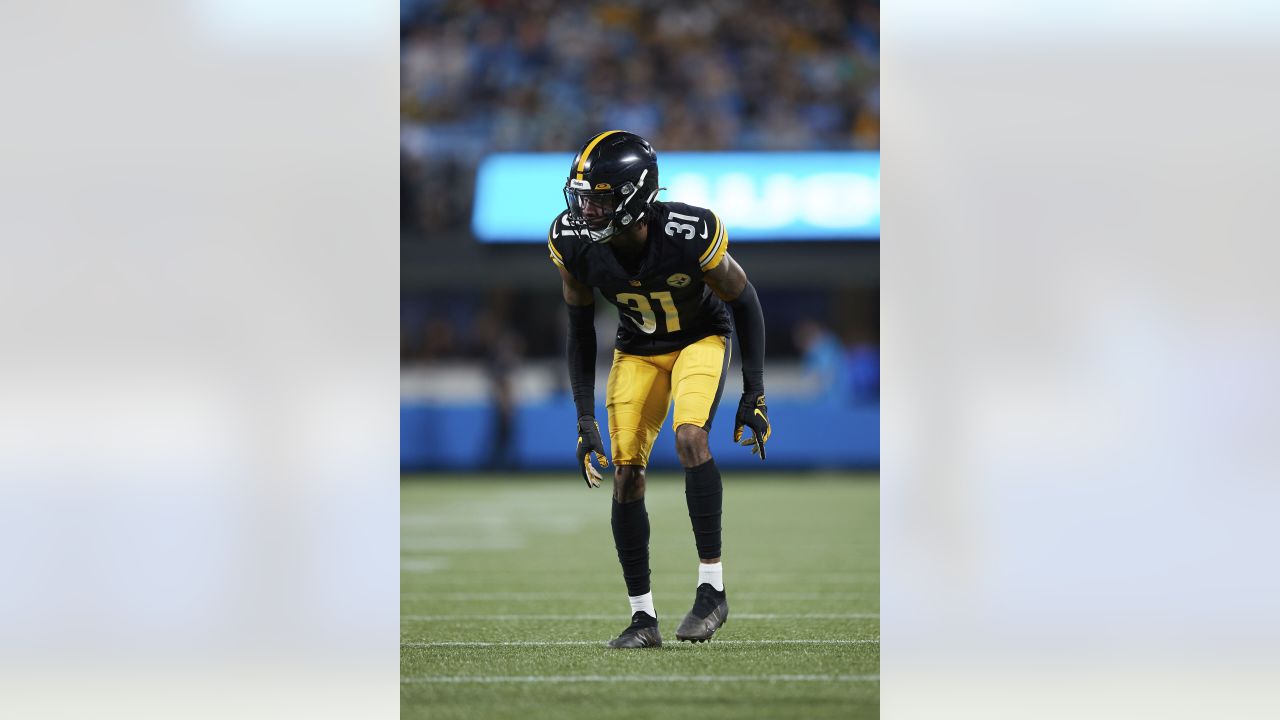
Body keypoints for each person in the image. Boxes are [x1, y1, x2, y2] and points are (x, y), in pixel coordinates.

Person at [548, 130, 771, 648]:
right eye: (583, 197)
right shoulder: (572, 241)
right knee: (627, 474)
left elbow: (744, 298)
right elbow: (579, 329)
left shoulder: (688, 231)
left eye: (601, 199)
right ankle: (642, 619)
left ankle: (711, 591)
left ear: (635, 196)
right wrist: (584, 420)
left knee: (690, 436)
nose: (587, 209)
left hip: (700, 337)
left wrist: (754, 392)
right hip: (637, 349)